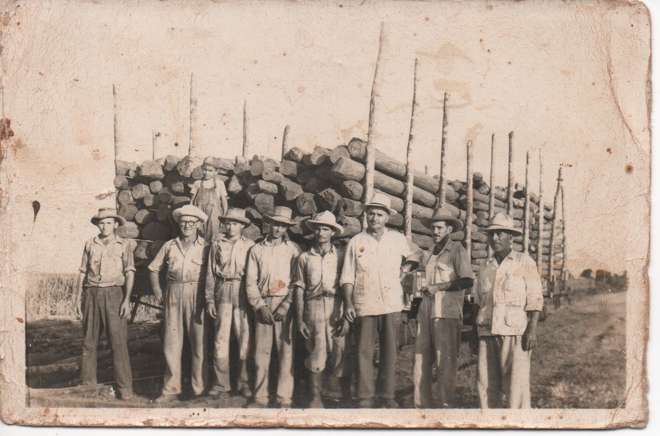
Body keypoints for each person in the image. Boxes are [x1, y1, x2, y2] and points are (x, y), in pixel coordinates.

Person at [340, 192, 417, 408]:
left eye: (379, 214)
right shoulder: (357, 241)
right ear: (366, 215)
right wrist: (348, 303)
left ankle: (387, 395)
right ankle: (364, 397)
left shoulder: (397, 239)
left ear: (387, 217)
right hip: (364, 303)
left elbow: (415, 255)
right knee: (364, 351)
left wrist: (406, 269)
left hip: (391, 302)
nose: (374, 218)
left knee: (389, 352)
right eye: (371, 214)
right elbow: (347, 276)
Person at [473, 212, 544, 408]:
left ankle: (518, 424)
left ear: (510, 237)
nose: (494, 238)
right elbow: (478, 301)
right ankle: (489, 424)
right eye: (491, 234)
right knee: (485, 385)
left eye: (500, 234)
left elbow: (535, 299)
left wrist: (532, 329)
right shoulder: (484, 267)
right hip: (487, 332)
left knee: (516, 388)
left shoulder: (524, 262)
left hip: (515, 333)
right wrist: (474, 331)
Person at [414, 206, 474, 408]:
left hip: (446, 312)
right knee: (421, 358)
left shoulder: (457, 250)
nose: (435, 232)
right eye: (433, 228)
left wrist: (440, 287)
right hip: (426, 311)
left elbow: (467, 281)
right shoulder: (429, 253)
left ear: (449, 230)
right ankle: (421, 405)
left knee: (445, 361)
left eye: (440, 228)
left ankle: (445, 404)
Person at [148, 205, 210, 403]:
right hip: (173, 293)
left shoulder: (206, 247)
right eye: (183, 223)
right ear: (179, 224)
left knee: (199, 344)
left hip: (197, 294)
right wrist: (158, 291)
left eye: (191, 223)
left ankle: (198, 390)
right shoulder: (170, 245)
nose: (187, 226)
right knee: (172, 344)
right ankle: (171, 389)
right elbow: (153, 269)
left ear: (198, 225)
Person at [74, 208, 136, 400]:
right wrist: (77, 299)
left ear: (115, 224)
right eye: (101, 222)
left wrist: (126, 299)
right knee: (88, 342)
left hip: (114, 294)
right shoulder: (90, 244)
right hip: (91, 293)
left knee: (118, 342)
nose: (105, 226)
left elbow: (130, 272)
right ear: (97, 225)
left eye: (109, 222)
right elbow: (83, 272)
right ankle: (87, 386)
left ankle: (125, 389)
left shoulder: (124, 245)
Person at [245, 206, 301, 408]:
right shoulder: (256, 250)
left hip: (284, 304)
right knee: (261, 352)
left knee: (286, 351)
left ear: (287, 228)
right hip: (264, 303)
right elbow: (250, 282)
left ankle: (284, 397)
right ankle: (260, 397)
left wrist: (287, 304)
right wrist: (259, 306)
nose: (278, 229)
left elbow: (298, 281)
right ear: (268, 224)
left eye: (283, 226)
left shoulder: (293, 250)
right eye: (275, 224)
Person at [292, 211, 349, 408]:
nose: (320, 232)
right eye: (317, 228)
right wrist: (299, 319)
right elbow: (298, 289)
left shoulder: (341, 256)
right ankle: (315, 398)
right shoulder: (304, 257)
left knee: (338, 350)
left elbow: (346, 285)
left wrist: (346, 317)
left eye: (325, 228)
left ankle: (334, 393)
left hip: (336, 305)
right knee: (315, 351)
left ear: (333, 232)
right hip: (313, 305)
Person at [205, 208, 255, 399]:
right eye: (228, 223)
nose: (231, 226)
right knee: (221, 338)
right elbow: (210, 272)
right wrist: (209, 299)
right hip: (222, 289)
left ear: (242, 226)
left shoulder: (250, 245)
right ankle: (220, 384)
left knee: (244, 336)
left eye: (235, 223)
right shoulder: (217, 243)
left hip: (242, 290)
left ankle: (244, 382)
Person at [191, 157, 229, 242]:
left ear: (216, 172)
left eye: (210, 170)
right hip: (199, 214)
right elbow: (192, 201)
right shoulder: (197, 183)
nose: (207, 173)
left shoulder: (219, 183)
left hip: (214, 216)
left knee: (213, 238)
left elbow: (224, 201)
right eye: (205, 170)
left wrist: (225, 216)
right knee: (198, 236)